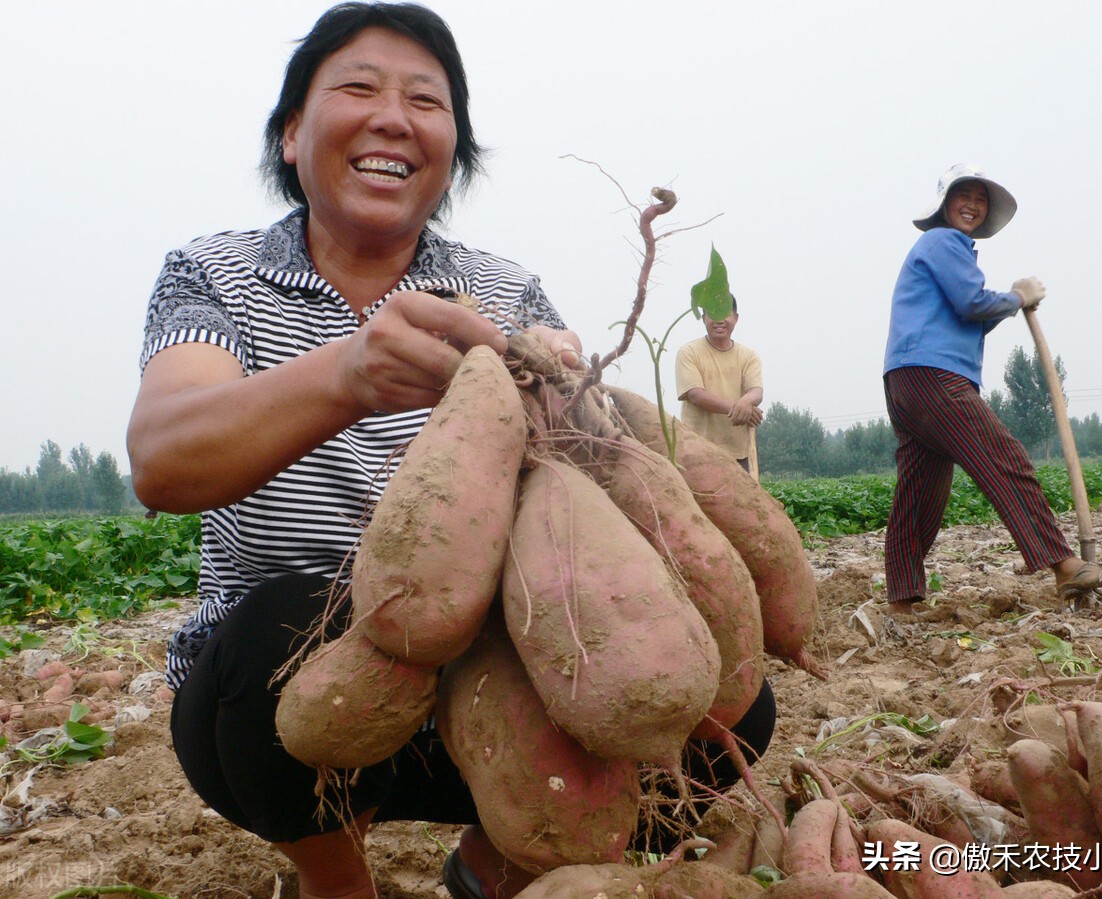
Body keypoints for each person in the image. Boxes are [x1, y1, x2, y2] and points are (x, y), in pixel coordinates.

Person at [126, 5, 775, 898]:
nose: (393, 116)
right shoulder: (213, 274)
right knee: (265, 639)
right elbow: (163, 461)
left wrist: (578, 410)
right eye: (358, 88)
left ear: (455, 152)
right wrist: (350, 373)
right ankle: (336, 880)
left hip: (496, 670)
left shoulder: (504, 291)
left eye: (426, 102)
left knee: (717, 698)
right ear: (289, 135)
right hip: (303, 692)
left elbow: (583, 470)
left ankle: (491, 868)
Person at [881, 163, 1102, 616]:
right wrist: (1018, 297)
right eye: (964, 196)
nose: (973, 205)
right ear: (945, 204)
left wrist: (1002, 304)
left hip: (907, 378)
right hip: (931, 375)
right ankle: (1063, 564)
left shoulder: (946, 252)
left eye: (981, 200)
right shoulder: (942, 241)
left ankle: (902, 598)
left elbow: (971, 314)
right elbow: (972, 304)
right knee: (1002, 457)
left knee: (920, 491)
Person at [675, 296, 764, 476]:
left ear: (736, 318)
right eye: (713, 313)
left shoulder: (748, 356)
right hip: (697, 452)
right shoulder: (689, 353)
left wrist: (746, 402)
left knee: (743, 503)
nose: (719, 320)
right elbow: (695, 395)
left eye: (725, 313)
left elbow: (756, 391)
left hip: (738, 454)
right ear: (704, 318)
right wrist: (739, 408)